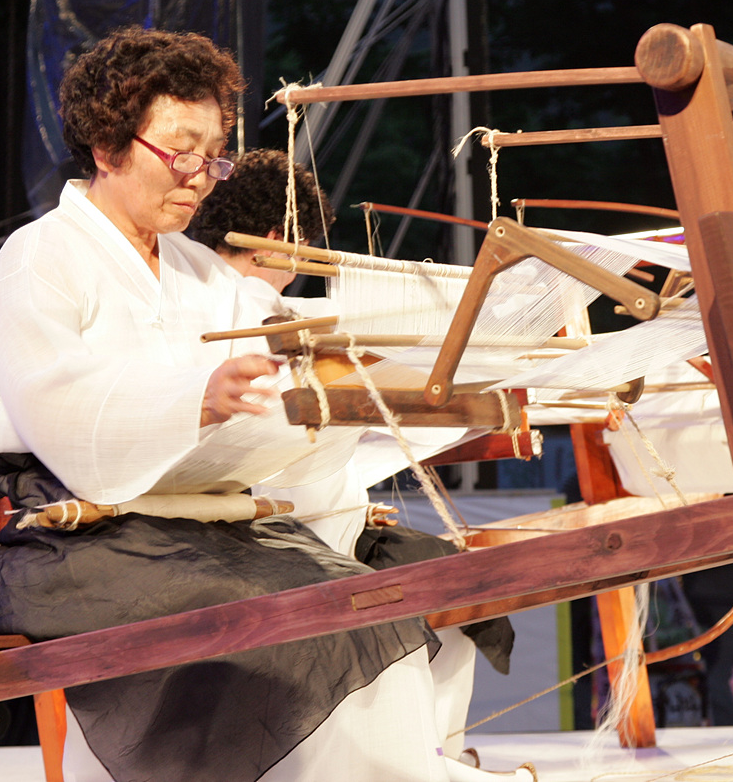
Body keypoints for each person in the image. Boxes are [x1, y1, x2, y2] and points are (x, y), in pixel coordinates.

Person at [0, 26, 531, 782]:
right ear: (106, 143)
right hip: (68, 543)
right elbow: (61, 408)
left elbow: (275, 350)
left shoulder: (199, 270)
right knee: (295, 617)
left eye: (212, 156)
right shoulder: (40, 257)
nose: (200, 177)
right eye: (180, 152)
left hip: (192, 529)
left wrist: (380, 371)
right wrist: (195, 398)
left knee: (371, 599)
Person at [189, 148, 515, 760]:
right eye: (300, 250)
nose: (297, 269)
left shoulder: (260, 308)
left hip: (307, 525)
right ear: (275, 240)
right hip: (257, 537)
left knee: (450, 589)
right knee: (415, 606)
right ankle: (420, 761)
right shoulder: (233, 309)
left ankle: (431, 758)